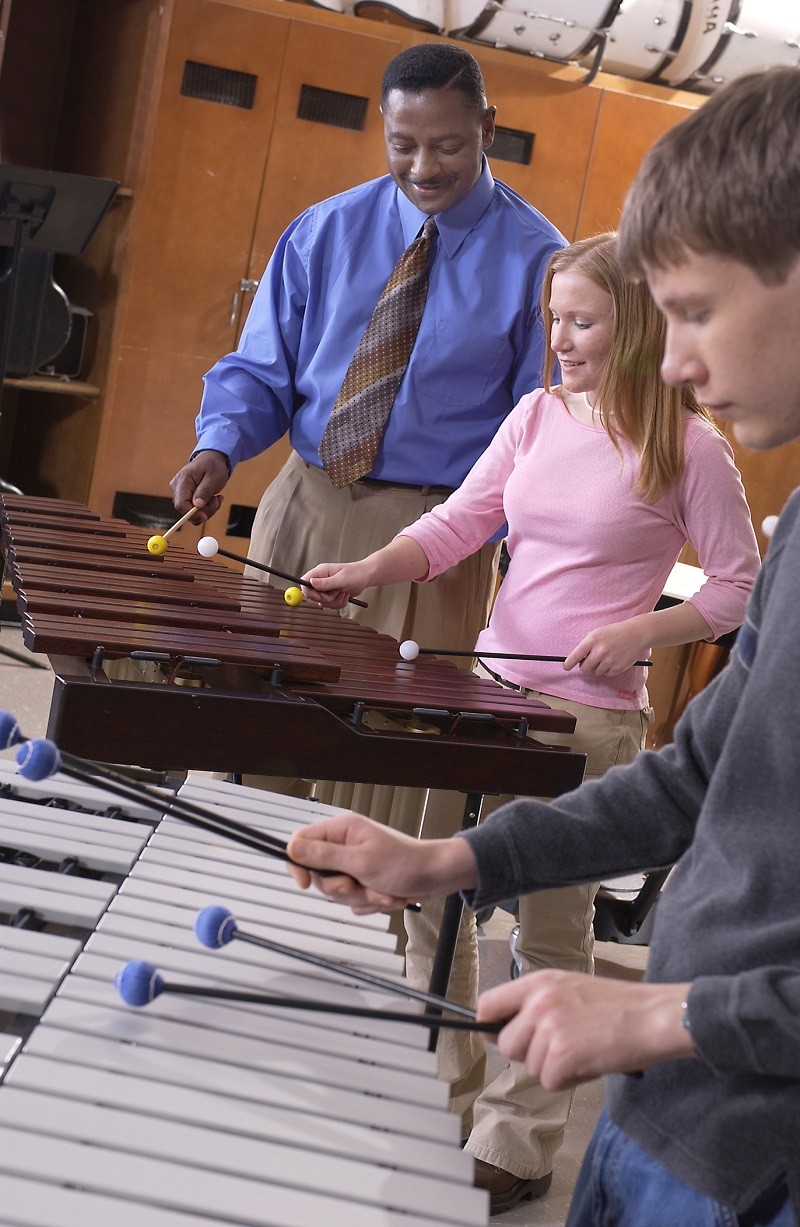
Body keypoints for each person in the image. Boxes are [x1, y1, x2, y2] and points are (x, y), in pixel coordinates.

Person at [285, 66, 800, 1227]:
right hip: (662, 1116)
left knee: (551, 936)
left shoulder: (693, 455)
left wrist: (662, 1015)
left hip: (751, 1152)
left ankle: (514, 1131)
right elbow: (697, 780)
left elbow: (718, 597)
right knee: (451, 924)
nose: (671, 363)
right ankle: (447, 1107)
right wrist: (445, 863)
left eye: (693, 313)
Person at [168, 40, 565, 826]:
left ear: (488, 126)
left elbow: (543, 429)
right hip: (305, 504)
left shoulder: (539, 260)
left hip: (432, 536)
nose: (423, 166)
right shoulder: (324, 231)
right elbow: (263, 367)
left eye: (448, 145)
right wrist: (216, 445)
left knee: (393, 764)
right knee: (256, 736)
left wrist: (525, 547)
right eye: (403, 144)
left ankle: (368, 936)